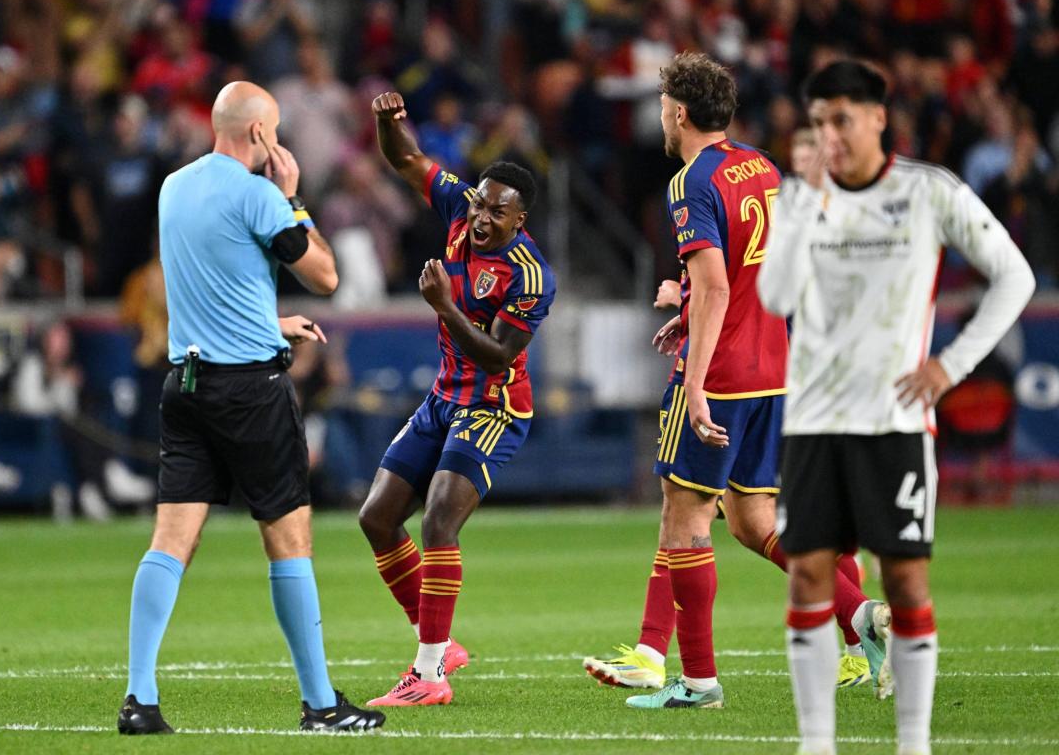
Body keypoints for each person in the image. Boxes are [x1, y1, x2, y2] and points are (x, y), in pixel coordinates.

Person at [581, 53, 885, 710]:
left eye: (663, 103)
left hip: (721, 375)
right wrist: (688, 311)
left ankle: (697, 682)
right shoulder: (762, 167)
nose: (659, 114)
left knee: (684, 523)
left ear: (681, 112)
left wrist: (693, 378)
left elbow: (718, 283)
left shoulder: (690, 182)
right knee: (751, 522)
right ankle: (860, 615)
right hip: (773, 370)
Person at [759, 60, 1035, 755]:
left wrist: (950, 366)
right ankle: (815, 744)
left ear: (879, 119)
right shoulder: (801, 198)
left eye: (841, 120)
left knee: (906, 578)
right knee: (810, 575)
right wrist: (803, 206)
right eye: (818, 123)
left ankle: (914, 744)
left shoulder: (927, 193)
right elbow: (774, 298)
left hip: (894, 423)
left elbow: (1015, 277)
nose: (830, 136)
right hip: (814, 421)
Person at [117, 81, 385, 734]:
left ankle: (139, 699)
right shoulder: (262, 196)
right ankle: (321, 704)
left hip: (185, 383)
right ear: (263, 135)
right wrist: (293, 197)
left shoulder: (174, 186)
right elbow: (325, 275)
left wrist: (270, 320)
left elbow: (214, 274)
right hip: (250, 392)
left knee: (171, 540)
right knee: (288, 540)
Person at [359, 90, 556, 707]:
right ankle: (439, 643)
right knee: (377, 518)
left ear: (518, 222)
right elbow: (408, 159)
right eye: (480, 203)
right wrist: (388, 124)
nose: (482, 216)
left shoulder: (530, 276)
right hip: (444, 398)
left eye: (498, 212)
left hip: (496, 406)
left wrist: (444, 305)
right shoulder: (456, 206)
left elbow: (498, 356)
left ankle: (428, 674)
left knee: (440, 518)